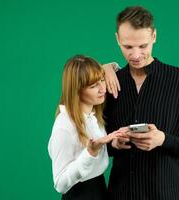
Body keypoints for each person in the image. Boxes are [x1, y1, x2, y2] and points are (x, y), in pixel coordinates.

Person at [102, 6, 179, 200]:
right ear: (117, 40)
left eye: (143, 46)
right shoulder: (109, 83)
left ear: (154, 36)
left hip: (166, 194)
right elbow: (98, 143)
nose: (136, 55)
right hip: (120, 194)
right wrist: (114, 143)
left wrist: (163, 139)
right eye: (128, 47)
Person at [48, 55, 126, 200]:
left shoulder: (93, 115)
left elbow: (119, 71)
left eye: (102, 80)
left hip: (100, 189)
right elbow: (60, 184)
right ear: (77, 90)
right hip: (80, 195)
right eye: (93, 86)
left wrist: (108, 66)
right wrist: (90, 152)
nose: (103, 88)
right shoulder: (64, 126)